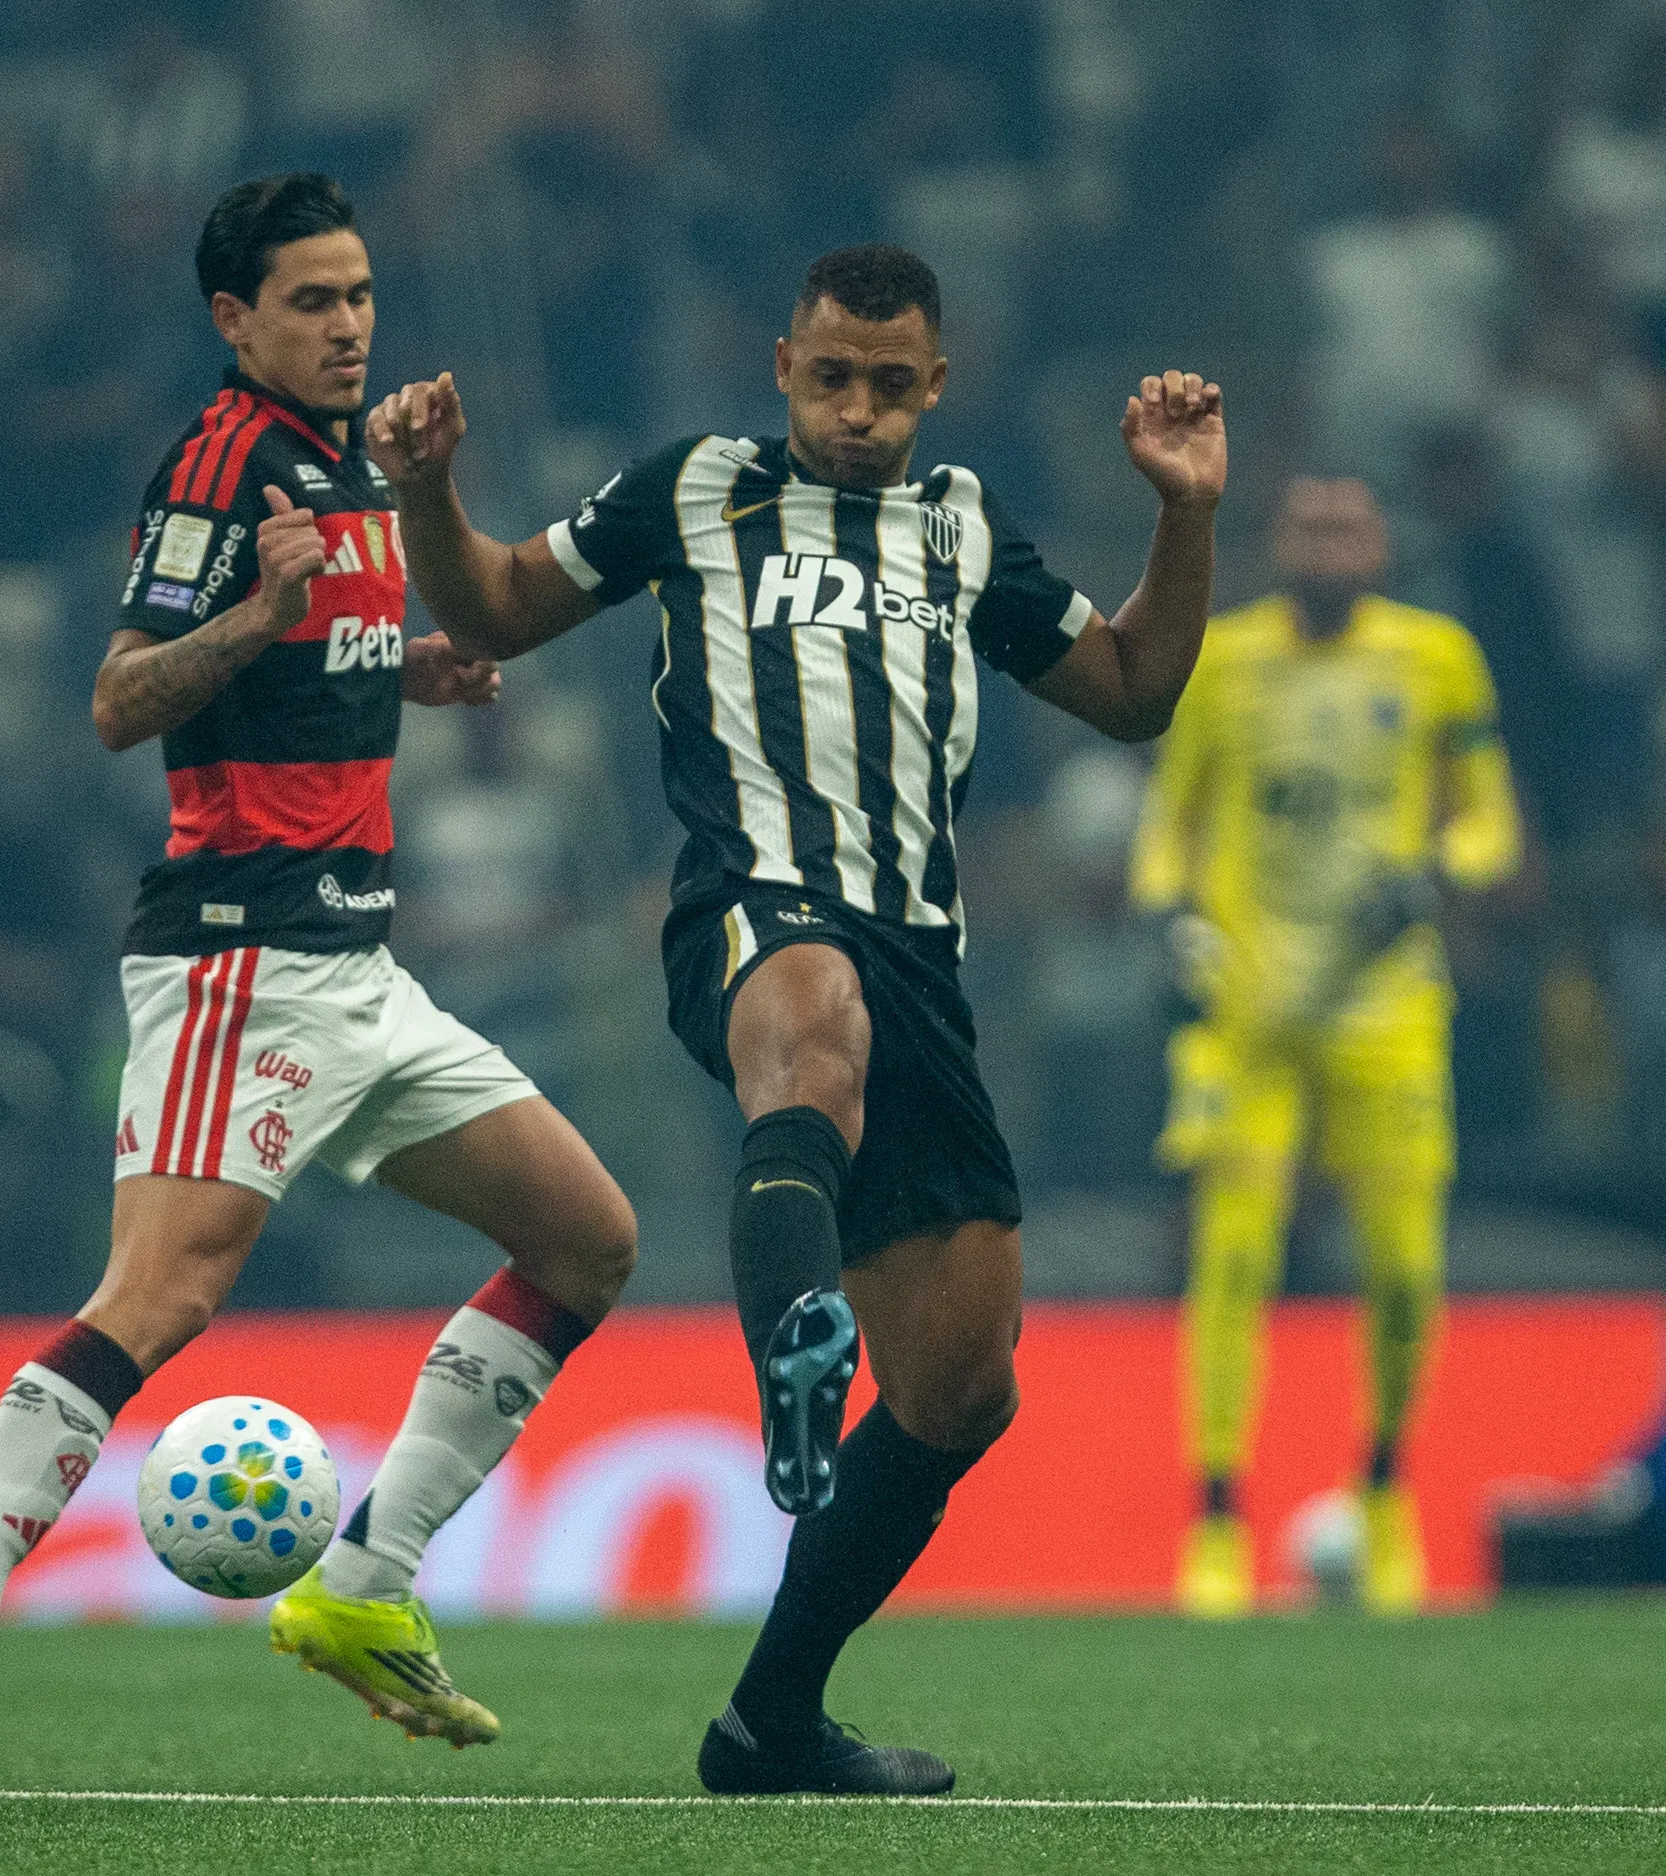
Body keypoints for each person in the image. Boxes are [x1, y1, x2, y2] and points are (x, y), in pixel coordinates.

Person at [372, 243, 1225, 1795]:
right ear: (782, 366)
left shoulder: (959, 528)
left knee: (964, 1387)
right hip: (750, 910)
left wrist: (1182, 511)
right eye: (829, 378)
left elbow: (1128, 690)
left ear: (934, 390)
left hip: (922, 956)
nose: (855, 412)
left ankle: (767, 1725)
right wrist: (429, 493)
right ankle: (789, 1342)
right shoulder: (693, 488)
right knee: (812, 1022)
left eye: (888, 387)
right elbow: (494, 606)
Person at [0, 174, 638, 1791]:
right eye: (312, 302)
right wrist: (264, 608)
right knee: (161, 1297)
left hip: (362, 965)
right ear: (235, 320)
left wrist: (404, 660)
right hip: (238, 963)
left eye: (358, 295)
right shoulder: (214, 471)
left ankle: (363, 1584)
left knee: (586, 1237)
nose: (347, 326)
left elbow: (306, 655)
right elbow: (123, 699)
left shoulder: (354, 460)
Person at [1128, 476, 1523, 1619]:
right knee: (1234, 1260)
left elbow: (1490, 818)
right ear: (1276, 542)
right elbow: (1171, 818)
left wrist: (1443, 873)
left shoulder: (1437, 658)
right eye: (1308, 526)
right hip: (1247, 1013)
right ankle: (1214, 1518)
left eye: (1350, 526)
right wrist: (1171, 919)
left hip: (1386, 1006)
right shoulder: (1224, 658)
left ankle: (1387, 1489)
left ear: (1383, 543)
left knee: (1402, 1269)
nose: (1330, 544)